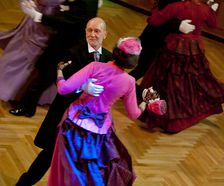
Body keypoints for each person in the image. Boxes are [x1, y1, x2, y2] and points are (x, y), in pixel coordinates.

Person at [47, 36, 161, 186]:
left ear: (115, 52)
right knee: (91, 172)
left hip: (72, 126)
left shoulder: (95, 67)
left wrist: (60, 72)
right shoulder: (129, 82)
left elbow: (63, 89)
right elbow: (134, 114)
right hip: (99, 132)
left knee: (66, 170)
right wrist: (144, 104)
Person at [15, 17, 112, 186]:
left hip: (88, 122)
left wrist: (144, 94)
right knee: (49, 153)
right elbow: (63, 81)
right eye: (89, 30)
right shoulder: (73, 52)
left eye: (97, 31)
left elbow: (123, 80)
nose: (92, 34)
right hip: (64, 116)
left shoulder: (109, 58)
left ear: (105, 34)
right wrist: (81, 86)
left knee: (81, 162)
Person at [140, 0, 224, 133]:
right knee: (195, 82)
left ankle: (158, 115)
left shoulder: (176, 6)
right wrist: (212, 10)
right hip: (194, 51)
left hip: (174, 49)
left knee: (163, 83)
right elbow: (213, 24)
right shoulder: (204, 9)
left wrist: (157, 9)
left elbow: (153, 20)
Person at [9, 0, 100, 117]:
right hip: (67, 43)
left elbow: (66, 22)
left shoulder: (86, 4)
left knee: (44, 78)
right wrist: (66, 6)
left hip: (67, 46)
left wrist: (37, 15)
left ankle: (27, 107)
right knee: (44, 78)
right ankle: (28, 107)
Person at [0, 0, 64, 105]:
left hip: (46, 23)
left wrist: (35, 10)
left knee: (25, 61)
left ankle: (17, 94)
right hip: (34, 22)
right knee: (15, 57)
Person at [129, 0, 196, 99]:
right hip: (153, 41)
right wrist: (178, 25)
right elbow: (159, 19)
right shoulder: (171, 5)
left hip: (155, 41)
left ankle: (127, 87)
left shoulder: (178, 4)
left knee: (144, 69)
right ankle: (125, 87)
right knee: (143, 68)